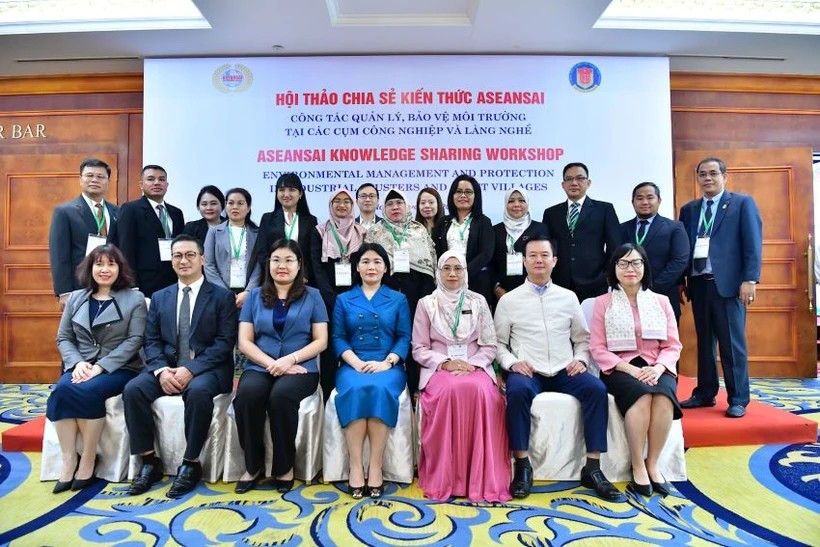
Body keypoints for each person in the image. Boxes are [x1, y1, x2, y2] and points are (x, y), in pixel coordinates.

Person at [494, 236, 620, 501]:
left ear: (554, 261)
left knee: (597, 390)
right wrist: (512, 363)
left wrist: (581, 360)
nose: (539, 260)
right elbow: (499, 344)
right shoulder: (509, 300)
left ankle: (593, 467)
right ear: (524, 261)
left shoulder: (568, 297)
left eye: (544, 255)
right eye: (532, 256)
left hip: (566, 369)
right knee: (515, 393)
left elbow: (582, 339)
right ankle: (523, 466)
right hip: (529, 370)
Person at [123, 234, 237, 498]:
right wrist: (162, 370)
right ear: (171, 260)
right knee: (133, 390)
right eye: (178, 256)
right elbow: (150, 340)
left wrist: (191, 369)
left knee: (197, 392)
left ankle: (191, 462)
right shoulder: (160, 297)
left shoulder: (221, 297)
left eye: (190, 255)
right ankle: (149, 461)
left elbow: (224, 343)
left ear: (202, 259)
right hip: (167, 367)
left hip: (209, 369)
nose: (183, 261)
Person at [412, 251, 510, 502]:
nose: (452, 274)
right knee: (449, 391)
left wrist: (473, 364)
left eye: (458, 268)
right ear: (439, 272)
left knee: (481, 392)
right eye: (446, 268)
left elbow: (490, 345)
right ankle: (447, 476)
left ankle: (479, 476)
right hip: (439, 367)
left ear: (466, 272)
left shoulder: (478, 301)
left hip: (475, 367)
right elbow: (419, 348)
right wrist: (445, 363)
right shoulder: (426, 304)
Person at [47, 245, 146, 493]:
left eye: (111, 264)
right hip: (81, 365)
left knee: (88, 391)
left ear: (120, 269)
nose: (104, 269)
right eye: (99, 264)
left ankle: (89, 458)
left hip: (119, 367)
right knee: (60, 391)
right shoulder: (76, 298)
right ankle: (71, 459)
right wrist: (78, 362)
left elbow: (135, 340)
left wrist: (101, 366)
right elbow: (64, 338)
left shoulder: (133, 298)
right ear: (90, 268)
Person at [233, 239, 328, 493]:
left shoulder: (314, 296)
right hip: (260, 365)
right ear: (268, 264)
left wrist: (290, 360)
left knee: (281, 397)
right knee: (247, 396)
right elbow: (244, 341)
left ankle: (284, 466)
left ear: (299, 266)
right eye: (276, 260)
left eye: (289, 260)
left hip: (301, 367)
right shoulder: (254, 296)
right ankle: (252, 465)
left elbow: (321, 341)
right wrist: (272, 363)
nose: (282, 266)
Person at [589, 243, 682, 497]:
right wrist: (631, 370)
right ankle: (637, 465)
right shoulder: (603, 303)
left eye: (636, 263)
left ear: (645, 267)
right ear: (614, 268)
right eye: (623, 263)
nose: (630, 268)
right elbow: (597, 348)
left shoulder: (661, 302)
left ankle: (653, 464)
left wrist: (659, 367)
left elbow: (673, 345)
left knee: (663, 397)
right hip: (620, 369)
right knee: (641, 396)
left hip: (657, 366)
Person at [679, 157, 762, 418]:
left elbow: (752, 243)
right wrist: (682, 280)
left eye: (713, 173)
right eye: (702, 174)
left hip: (728, 285)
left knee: (731, 344)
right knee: (704, 342)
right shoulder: (690, 210)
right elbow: (684, 248)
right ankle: (705, 392)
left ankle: (738, 398)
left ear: (724, 176)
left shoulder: (741, 203)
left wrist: (750, 280)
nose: (708, 178)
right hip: (699, 285)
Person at [332, 243, 411, 499]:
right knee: (355, 388)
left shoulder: (398, 299)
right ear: (357, 267)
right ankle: (356, 465)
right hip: (353, 363)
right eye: (365, 261)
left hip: (388, 365)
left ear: (386, 267)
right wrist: (354, 362)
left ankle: (375, 465)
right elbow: (338, 337)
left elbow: (403, 336)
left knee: (378, 388)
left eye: (377, 261)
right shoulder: (343, 299)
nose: (371, 267)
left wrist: (387, 362)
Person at [365, 190, 436, 396]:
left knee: (415, 337)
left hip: (417, 293)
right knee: (391, 334)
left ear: (407, 206)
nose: (395, 207)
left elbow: (429, 265)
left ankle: (414, 386)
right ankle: (389, 379)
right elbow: (369, 266)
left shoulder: (418, 229)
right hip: (386, 293)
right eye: (390, 204)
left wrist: (425, 298)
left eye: (399, 203)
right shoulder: (375, 232)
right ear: (384, 209)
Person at [311, 189, 367, 399]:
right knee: (328, 351)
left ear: (352, 206)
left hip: (353, 299)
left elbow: (360, 267)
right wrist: (331, 297)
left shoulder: (361, 232)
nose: (342, 205)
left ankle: (352, 392)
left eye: (346, 202)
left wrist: (350, 296)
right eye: (337, 201)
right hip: (326, 300)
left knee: (352, 343)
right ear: (330, 204)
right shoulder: (319, 231)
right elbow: (317, 268)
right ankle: (328, 396)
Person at [541, 162, 622, 303]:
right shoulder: (551, 213)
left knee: (592, 324)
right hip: (559, 283)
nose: (574, 183)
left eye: (580, 178)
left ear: (588, 182)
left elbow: (615, 246)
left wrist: (607, 276)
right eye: (569, 179)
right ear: (563, 184)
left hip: (595, 283)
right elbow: (546, 247)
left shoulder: (604, 209)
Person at [49, 158, 119, 309]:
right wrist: (64, 291)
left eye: (100, 177)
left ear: (108, 182)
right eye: (89, 175)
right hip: (79, 286)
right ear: (80, 180)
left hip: (113, 286)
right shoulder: (65, 212)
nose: (95, 180)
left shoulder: (117, 212)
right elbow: (59, 255)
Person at [107, 164, 185, 298]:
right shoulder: (130, 209)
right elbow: (126, 249)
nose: (156, 183)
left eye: (161, 179)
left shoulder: (176, 213)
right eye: (151, 179)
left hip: (173, 280)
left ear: (167, 185)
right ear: (141, 184)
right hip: (143, 283)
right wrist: (131, 284)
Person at [620, 182, 689, 320]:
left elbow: (679, 261)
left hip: (663, 297)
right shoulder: (621, 228)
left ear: (659, 200)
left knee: (665, 341)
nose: (645, 202)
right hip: (627, 299)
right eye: (639, 198)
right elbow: (614, 259)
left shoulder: (674, 228)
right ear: (632, 202)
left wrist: (650, 289)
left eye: (650, 197)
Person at [432, 175, 495, 303]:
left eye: (468, 192)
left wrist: (463, 273)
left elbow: (486, 254)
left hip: (475, 282)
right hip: (447, 282)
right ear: (452, 195)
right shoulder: (443, 221)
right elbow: (436, 251)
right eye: (458, 191)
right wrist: (447, 274)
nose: (463, 195)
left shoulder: (483, 222)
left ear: (475, 196)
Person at [253, 173, 318, 287]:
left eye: (292, 190)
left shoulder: (310, 221)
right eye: (282, 190)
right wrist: (275, 273)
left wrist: (304, 276)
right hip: (274, 280)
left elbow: (312, 254)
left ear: (300, 193)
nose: (286, 194)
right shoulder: (267, 218)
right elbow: (262, 251)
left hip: (302, 281)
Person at [203, 187, 261, 309]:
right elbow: (209, 265)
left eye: (240, 203)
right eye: (231, 203)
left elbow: (259, 265)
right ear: (225, 206)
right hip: (220, 293)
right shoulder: (214, 232)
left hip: (248, 294)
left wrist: (249, 291)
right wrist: (225, 293)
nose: (235, 207)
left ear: (248, 207)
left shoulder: (257, 233)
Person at [492, 188, 549, 307]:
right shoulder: (494, 231)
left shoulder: (541, 229)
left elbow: (546, 260)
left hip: (535, 294)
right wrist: (496, 288)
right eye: (511, 201)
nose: (516, 204)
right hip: (502, 295)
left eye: (521, 200)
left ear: (527, 204)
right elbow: (489, 263)